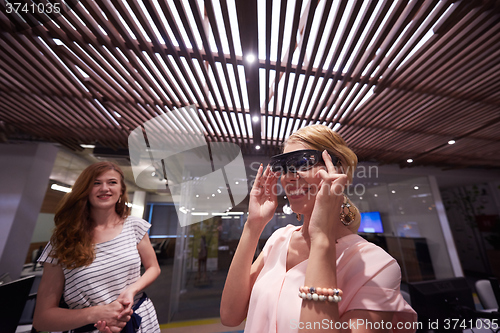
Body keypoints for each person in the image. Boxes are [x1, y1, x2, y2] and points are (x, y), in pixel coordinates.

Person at [220, 125, 417, 333]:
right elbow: (230, 315)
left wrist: (321, 238)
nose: (289, 176)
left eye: (303, 162)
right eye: (284, 167)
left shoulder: (377, 265)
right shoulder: (279, 240)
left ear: (337, 170)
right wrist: (253, 225)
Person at [33, 161, 161, 333]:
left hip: (141, 319)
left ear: (121, 190)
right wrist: (98, 313)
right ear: (85, 189)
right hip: (90, 327)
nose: (104, 188)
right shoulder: (63, 239)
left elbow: (153, 267)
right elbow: (42, 320)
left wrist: (131, 290)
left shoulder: (135, 226)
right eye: (96, 183)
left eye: (112, 182)